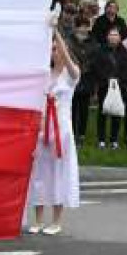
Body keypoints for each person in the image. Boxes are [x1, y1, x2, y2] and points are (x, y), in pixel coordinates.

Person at [26, 30, 81, 236]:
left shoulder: (71, 75)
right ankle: (38, 219)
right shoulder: (45, 75)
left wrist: (55, 31)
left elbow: (67, 59)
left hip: (61, 130)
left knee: (59, 173)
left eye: (56, 49)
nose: (54, 52)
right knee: (39, 173)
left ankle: (56, 220)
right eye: (51, 49)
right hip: (43, 129)